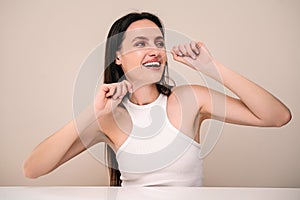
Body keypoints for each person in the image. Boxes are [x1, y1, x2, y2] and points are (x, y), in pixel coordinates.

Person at [23, 12, 291, 187]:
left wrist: (212, 68)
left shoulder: (191, 99)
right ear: (118, 57)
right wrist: (91, 113)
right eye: (140, 44)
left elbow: (277, 117)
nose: (154, 51)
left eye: (158, 43)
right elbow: (33, 169)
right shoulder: (108, 119)